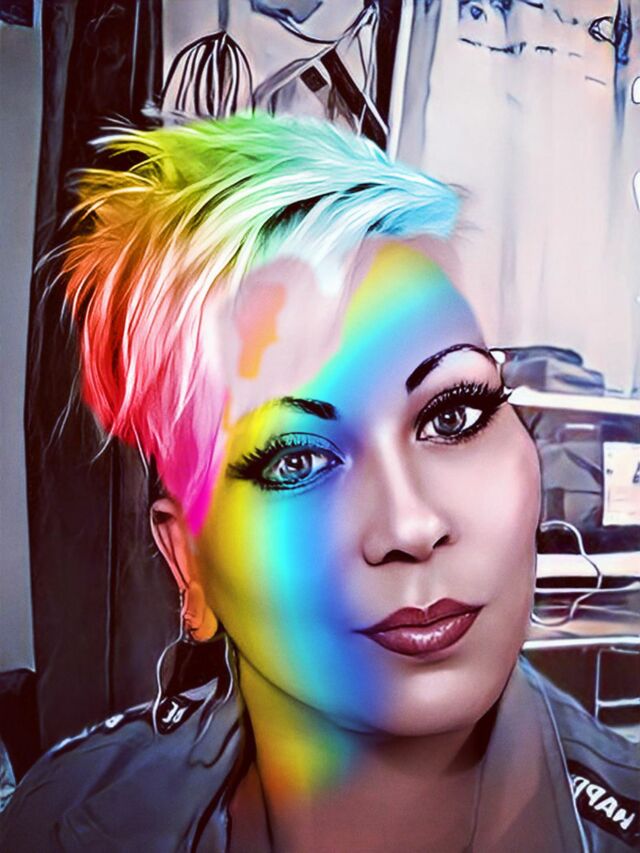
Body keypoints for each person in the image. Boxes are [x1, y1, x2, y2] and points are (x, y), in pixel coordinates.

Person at [1, 113, 637, 852]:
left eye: (454, 414)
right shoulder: (58, 817)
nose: (411, 525)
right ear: (189, 561)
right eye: (296, 461)